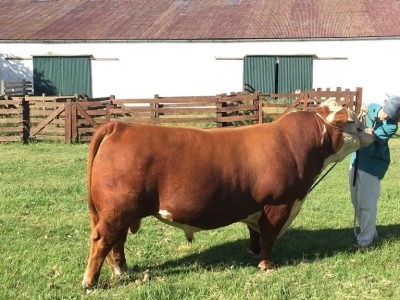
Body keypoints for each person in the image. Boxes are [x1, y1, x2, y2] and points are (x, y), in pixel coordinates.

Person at [349, 95, 400, 247]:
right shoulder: (372, 106)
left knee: (366, 203)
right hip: (355, 159)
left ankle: (365, 240)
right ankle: (371, 232)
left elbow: (370, 137)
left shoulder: (392, 126)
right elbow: (362, 113)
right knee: (356, 201)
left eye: (392, 116)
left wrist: (361, 124)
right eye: (386, 112)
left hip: (372, 165)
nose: (387, 117)